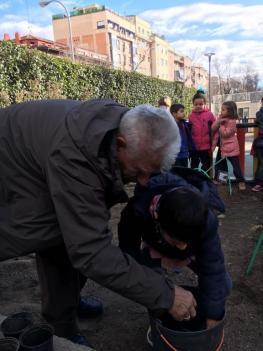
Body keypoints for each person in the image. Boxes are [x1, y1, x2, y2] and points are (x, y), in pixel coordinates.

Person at [0, 98, 198, 347]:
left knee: (71, 232)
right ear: (120, 144)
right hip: (10, 178)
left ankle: (66, 303)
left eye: (153, 172)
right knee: (61, 236)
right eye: (139, 172)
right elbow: (90, 251)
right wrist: (167, 295)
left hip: (37, 165)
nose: (144, 181)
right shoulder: (75, 156)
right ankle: (61, 330)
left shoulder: (122, 128)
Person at [118, 168, 231, 347]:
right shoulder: (137, 212)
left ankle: (199, 317)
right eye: (177, 240)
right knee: (152, 284)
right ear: (156, 216)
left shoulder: (205, 218)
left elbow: (213, 266)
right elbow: (128, 254)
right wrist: (161, 291)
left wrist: (213, 316)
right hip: (156, 248)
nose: (182, 245)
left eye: (187, 240)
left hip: (192, 253)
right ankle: (159, 325)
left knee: (222, 283)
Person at [212, 101, 246, 191]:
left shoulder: (232, 121)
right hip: (222, 147)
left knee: (236, 167)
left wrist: (222, 125)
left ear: (230, 111)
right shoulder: (221, 118)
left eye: (223, 110)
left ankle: (241, 181)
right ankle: (222, 180)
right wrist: (219, 121)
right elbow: (213, 128)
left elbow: (225, 134)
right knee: (220, 165)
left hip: (231, 148)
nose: (221, 111)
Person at [189, 92, 216, 172]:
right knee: (194, 165)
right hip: (194, 147)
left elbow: (215, 126)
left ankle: (204, 178)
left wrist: (213, 143)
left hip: (206, 146)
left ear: (205, 104)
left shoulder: (209, 114)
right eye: (196, 104)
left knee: (206, 165)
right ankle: (194, 179)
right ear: (193, 104)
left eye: (201, 104)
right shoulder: (191, 116)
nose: (198, 106)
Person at [170, 103, 195, 167]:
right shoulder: (170, 126)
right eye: (181, 111)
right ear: (174, 113)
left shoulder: (184, 124)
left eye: (183, 111)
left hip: (184, 154)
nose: (183, 113)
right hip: (176, 156)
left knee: (184, 172)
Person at [251, 97, 263, 192]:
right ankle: (258, 183)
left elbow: (257, 121)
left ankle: (258, 182)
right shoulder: (260, 114)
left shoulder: (259, 114)